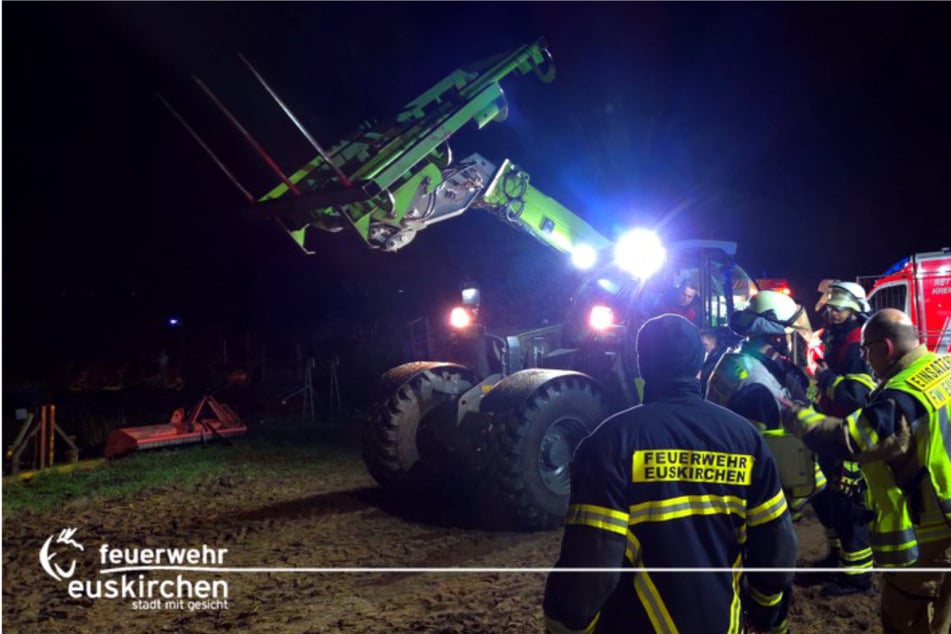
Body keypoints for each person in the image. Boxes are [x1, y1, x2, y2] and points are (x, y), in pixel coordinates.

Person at [543, 314, 797, 634]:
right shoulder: (746, 439)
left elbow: (590, 566)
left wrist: (564, 625)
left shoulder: (608, 443)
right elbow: (775, 547)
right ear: (700, 365)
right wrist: (767, 614)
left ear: (642, 365)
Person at [783, 309, 951, 634]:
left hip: (933, 535)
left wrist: (790, 414)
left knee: (908, 618)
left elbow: (848, 439)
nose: (864, 357)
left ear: (885, 347)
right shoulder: (944, 366)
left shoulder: (901, 398)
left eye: (866, 349)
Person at [704, 290, 819, 632]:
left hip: (724, 481)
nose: (788, 341)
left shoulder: (733, 360)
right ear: (773, 336)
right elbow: (770, 454)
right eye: (784, 334)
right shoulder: (759, 386)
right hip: (756, 496)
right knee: (770, 564)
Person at [808, 281, 877, 595]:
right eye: (831, 306)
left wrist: (824, 377)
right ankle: (838, 559)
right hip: (833, 431)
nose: (831, 311)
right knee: (832, 499)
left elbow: (857, 396)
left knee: (849, 503)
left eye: (838, 307)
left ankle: (858, 577)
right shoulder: (838, 337)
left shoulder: (858, 343)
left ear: (854, 309)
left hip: (850, 436)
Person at [700, 326, 741, 396]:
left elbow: (743, 376)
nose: (701, 348)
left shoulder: (726, 358)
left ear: (713, 344)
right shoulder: (706, 359)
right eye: (700, 345)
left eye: (704, 345)